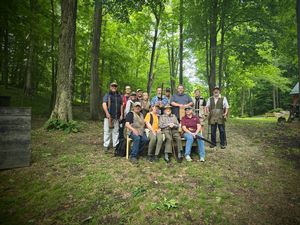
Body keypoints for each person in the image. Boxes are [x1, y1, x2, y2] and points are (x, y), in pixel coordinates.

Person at [102, 82, 123, 152]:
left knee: (116, 131)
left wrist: (122, 114)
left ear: (117, 87)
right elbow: (104, 104)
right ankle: (106, 145)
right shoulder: (107, 95)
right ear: (110, 87)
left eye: (115, 86)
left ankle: (115, 145)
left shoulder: (119, 96)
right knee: (107, 131)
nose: (114, 87)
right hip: (108, 116)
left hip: (117, 116)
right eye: (112, 86)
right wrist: (107, 113)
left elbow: (121, 105)